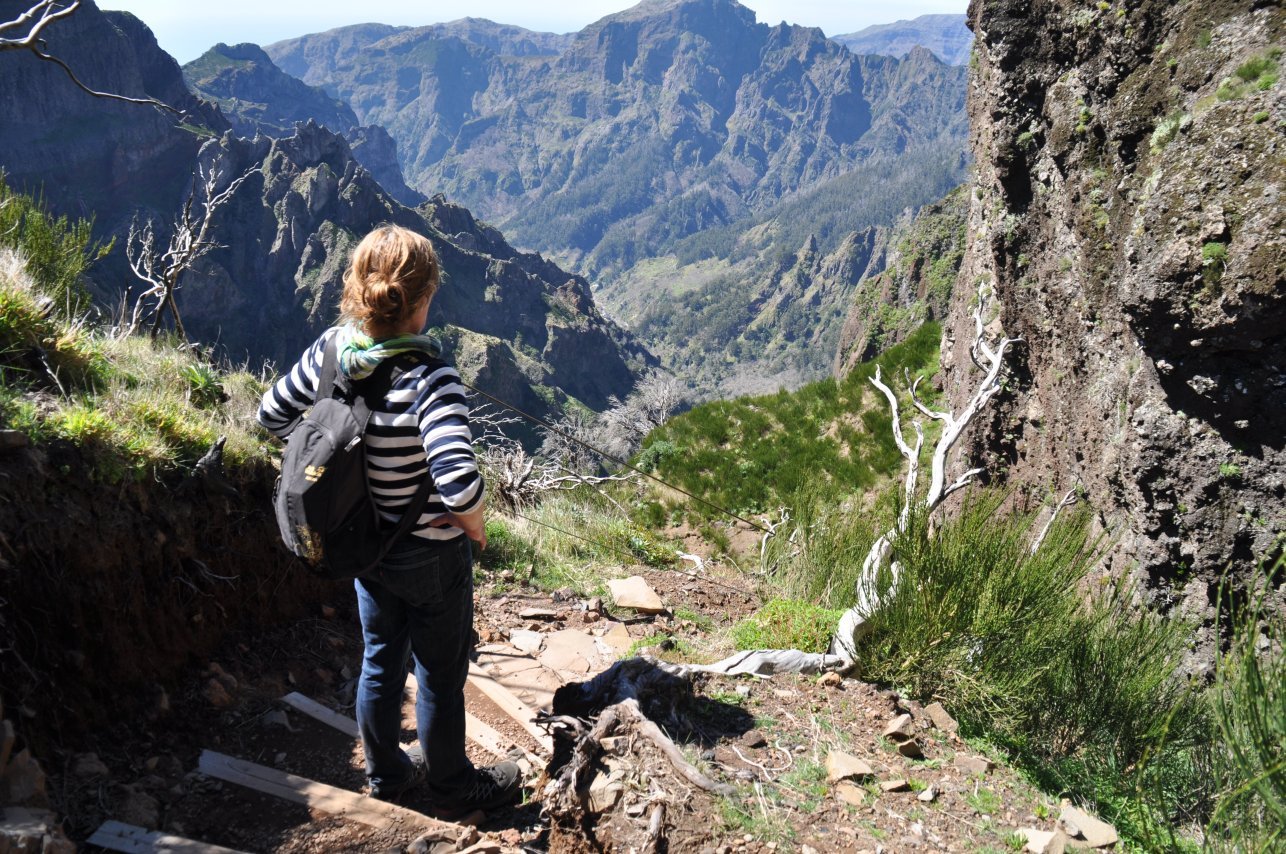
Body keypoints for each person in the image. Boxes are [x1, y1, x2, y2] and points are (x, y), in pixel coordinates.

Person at [256, 224, 521, 814]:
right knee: (440, 673)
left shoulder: (330, 351)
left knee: (380, 660)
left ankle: (386, 774)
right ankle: (453, 786)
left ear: (356, 289)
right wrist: (475, 527)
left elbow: (271, 414)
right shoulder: (431, 377)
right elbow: (458, 482)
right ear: (423, 299)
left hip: (363, 551)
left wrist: (343, 463)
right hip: (431, 557)